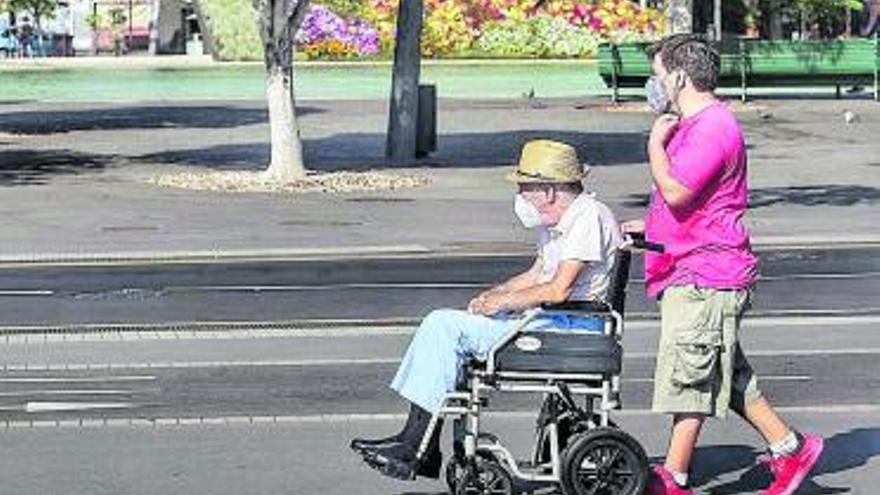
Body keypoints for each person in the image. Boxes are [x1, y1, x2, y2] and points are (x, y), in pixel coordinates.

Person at [350, 139, 624, 481]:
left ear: (550, 190)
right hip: (552, 320)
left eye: (526, 188)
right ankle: (417, 441)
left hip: (569, 327)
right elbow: (537, 274)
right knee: (449, 324)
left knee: (443, 326)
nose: (521, 196)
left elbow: (558, 289)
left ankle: (418, 445)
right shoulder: (561, 222)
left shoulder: (587, 218)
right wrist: (495, 294)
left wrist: (504, 303)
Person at [626, 34, 824, 495]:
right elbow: (687, 202)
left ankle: (672, 477)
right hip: (691, 264)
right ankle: (790, 449)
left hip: (704, 275)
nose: (653, 86)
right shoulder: (695, 126)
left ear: (678, 76)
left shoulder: (712, 127)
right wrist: (650, 226)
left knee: (691, 373)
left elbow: (677, 190)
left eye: (657, 76)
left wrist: (654, 145)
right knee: (725, 373)